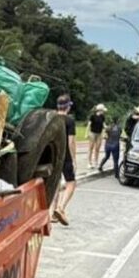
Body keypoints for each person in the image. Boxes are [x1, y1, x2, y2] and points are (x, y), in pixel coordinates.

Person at [52, 94, 76, 226]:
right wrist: (74, 159)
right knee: (71, 183)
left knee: (55, 183)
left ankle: (52, 213)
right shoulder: (69, 121)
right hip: (65, 154)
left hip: (53, 154)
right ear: (67, 107)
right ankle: (61, 208)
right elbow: (71, 141)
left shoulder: (52, 118)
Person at [86, 103, 107, 169]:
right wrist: (86, 133)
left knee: (97, 148)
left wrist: (107, 129)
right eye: (103, 110)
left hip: (99, 133)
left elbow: (104, 125)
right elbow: (89, 125)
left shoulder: (102, 117)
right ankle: (89, 163)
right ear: (100, 110)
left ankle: (96, 162)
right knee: (91, 148)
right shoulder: (92, 116)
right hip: (92, 133)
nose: (103, 112)